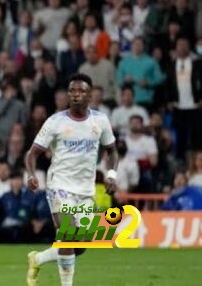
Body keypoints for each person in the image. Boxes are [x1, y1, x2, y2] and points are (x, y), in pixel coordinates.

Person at [25, 73, 118, 286]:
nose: (76, 95)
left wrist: (111, 175)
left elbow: (112, 151)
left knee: (82, 245)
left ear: (90, 95)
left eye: (81, 91)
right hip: (60, 186)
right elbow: (32, 153)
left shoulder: (100, 121)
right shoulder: (55, 122)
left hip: (85, 191)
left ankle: (37, 259)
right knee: (67, 236)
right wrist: (31, 174)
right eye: (72, 91)